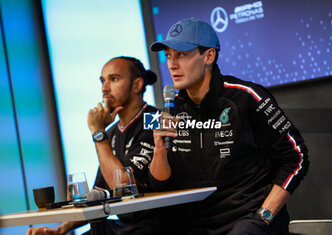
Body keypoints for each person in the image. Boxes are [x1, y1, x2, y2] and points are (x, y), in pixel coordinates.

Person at [149, 17, 310, 234]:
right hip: (196, 224)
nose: (171, 64)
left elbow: (296, 157)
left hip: (249, 221)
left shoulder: (248, 98)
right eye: (168, 55)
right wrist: (159, 150)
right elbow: (160, 186)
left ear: (209, 56)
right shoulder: (170, 109)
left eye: (181, 55)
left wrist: (263, 217)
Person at [26, 56, 159, 235]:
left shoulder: (156, 120)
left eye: (114, 79)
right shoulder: (109, 133)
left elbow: (123, 185)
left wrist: (98, 134)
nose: (105, 88)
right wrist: (59, 230)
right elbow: (99, 195)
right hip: (123, 227)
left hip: (156, 225)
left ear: (137, 85)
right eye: (102, 81)